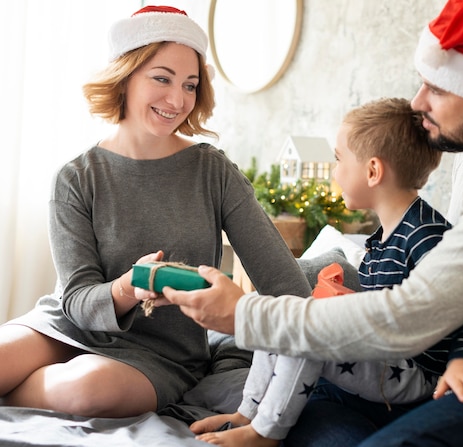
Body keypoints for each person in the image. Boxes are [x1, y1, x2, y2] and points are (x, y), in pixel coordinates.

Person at [158, 0, 463, 445]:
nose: (418, 102)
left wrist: (243, 314)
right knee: (314, 403)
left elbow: (411, 317)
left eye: (438, 90)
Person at [0, 5, 312, 418]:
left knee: (85, 390)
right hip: (69, 325)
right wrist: (128, 287)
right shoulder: (76, 177)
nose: (177, 99)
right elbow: (75, 298)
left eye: (190, 84)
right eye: (162, 78)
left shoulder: (212, 172)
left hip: (163, 352)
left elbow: (285, 284)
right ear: (125, 76)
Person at [191, 98, 463, 446]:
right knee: (285, 312)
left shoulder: (426, 235)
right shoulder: (382, 240)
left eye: (339, 160)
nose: (335, 171)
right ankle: (248, 414)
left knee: (307, 330)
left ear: (372, 171)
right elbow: (381, 306)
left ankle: (266, 434)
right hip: (386, 357)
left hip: (415, 375)